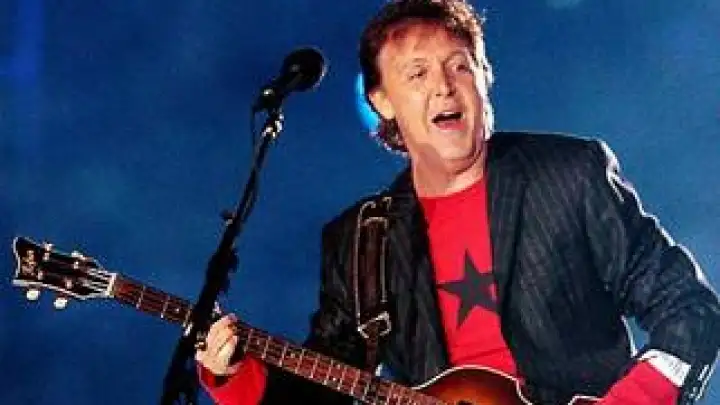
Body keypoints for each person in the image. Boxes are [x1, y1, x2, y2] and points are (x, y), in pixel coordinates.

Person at [195, 0, 720, 404]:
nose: (445, 88)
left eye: (460, 67)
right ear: (382, 101)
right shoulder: (360, 240)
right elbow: (324, 389)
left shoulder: (570, 173)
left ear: (485, 78)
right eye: (417, 73)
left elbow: (691, 310)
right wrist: (232, 374)